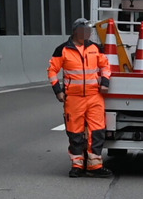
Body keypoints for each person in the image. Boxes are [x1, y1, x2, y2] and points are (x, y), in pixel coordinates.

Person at [48, 18, 113, 178]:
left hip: (94, 96)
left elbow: (105, 66)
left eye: (88, 30)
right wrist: (58, 91)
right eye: (84, 30)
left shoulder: (95, 48)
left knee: (97, 131)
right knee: (75, 133)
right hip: (74, 98)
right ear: (76, 31)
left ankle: (94, 166)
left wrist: (105, 82)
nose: (87, 33)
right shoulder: (62, 50)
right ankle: (77, 165)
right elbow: (52, 71)